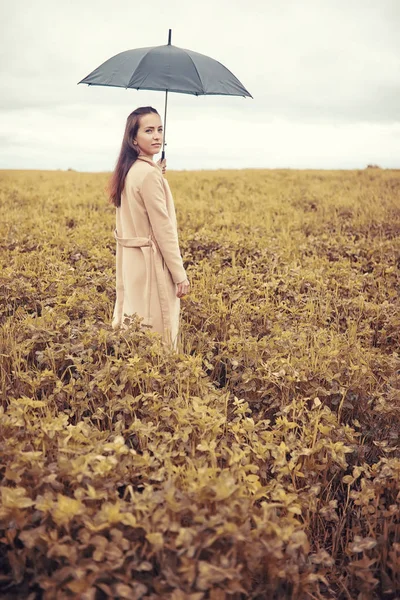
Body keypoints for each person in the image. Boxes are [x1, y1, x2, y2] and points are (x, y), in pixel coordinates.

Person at [108, 106, 190, 350]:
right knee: (158, 334)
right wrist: (180, 274)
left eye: (160, 129)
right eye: (149, 130)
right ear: (134, 138)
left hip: (132, 264)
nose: (157, 136)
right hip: (151, 264)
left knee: (135, 327)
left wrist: (157, 172)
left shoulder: (129, 170)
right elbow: (164, 230)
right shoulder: (148, 175)